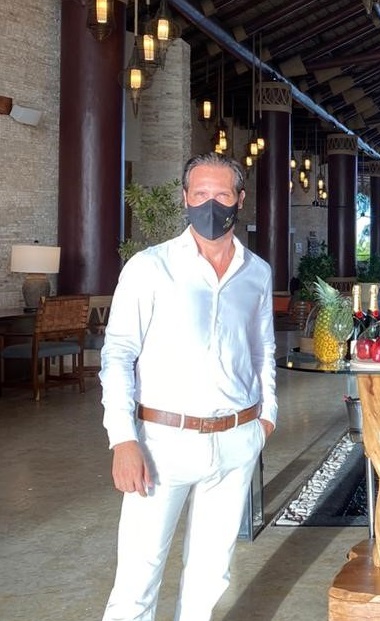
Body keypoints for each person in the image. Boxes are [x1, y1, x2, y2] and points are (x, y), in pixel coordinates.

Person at [100, 152, 278, 621]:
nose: (210, 205)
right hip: (163, 443)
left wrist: (267, 417)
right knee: (137, 578)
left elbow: (262, 350)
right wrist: (123, 439)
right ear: (185, 199)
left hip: (236, 439)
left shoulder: (256, 272)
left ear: (239, 200)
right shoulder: (149, 267)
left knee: (210, 577)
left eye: (221, 195)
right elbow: (117, 354)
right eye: (200, 194)